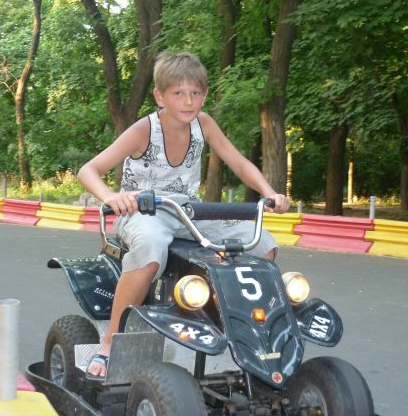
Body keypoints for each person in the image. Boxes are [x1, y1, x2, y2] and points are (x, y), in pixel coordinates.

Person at [76, 51, 291, 379]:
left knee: (261, 243)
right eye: (178, 93)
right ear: (160, 96)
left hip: (188, 211)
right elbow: (88, 170)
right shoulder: (144, 130)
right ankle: (110, 343)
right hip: (143, 212)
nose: (189, 101)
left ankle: (234, 327)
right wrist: (112, 197)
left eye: (196, 93)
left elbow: (238, 161)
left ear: (204, 95)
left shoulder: (204, 124)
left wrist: (269, 192)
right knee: (150, 246)